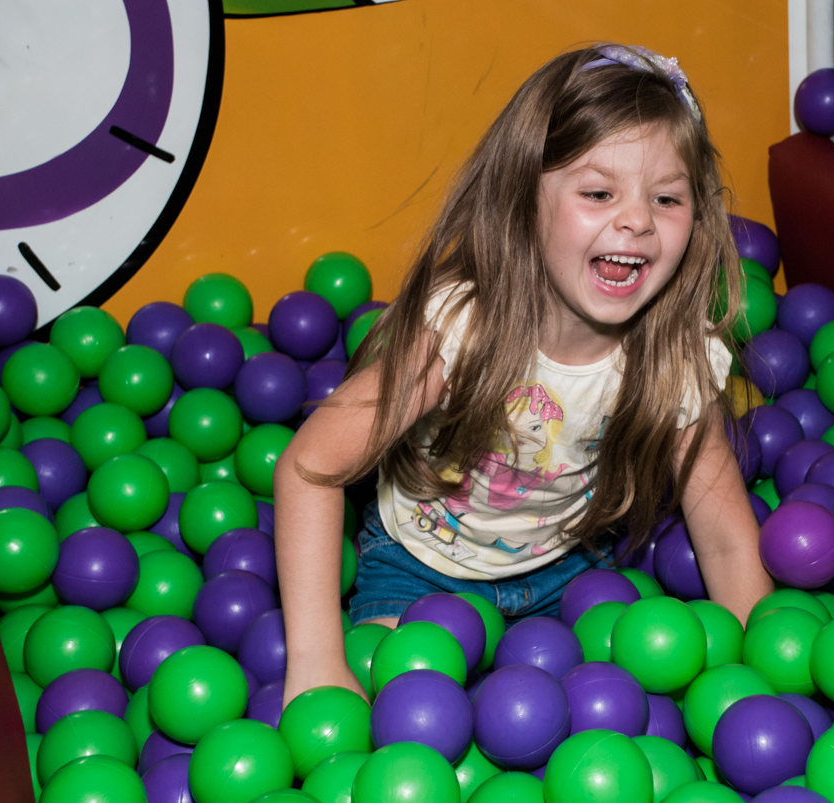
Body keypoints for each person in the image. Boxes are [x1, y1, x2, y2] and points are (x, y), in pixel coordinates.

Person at [276, 43, 773, 705]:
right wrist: (314, 662)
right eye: (599, 192)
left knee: (606, 713)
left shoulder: (673, 357)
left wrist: (756, 684)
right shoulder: (459, 332)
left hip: (570, 572)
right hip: (420, 567)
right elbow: (308, 467)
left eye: (667, 199)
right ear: (523, 197)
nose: (636, 220)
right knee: (402, 707)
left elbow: (728, 540)